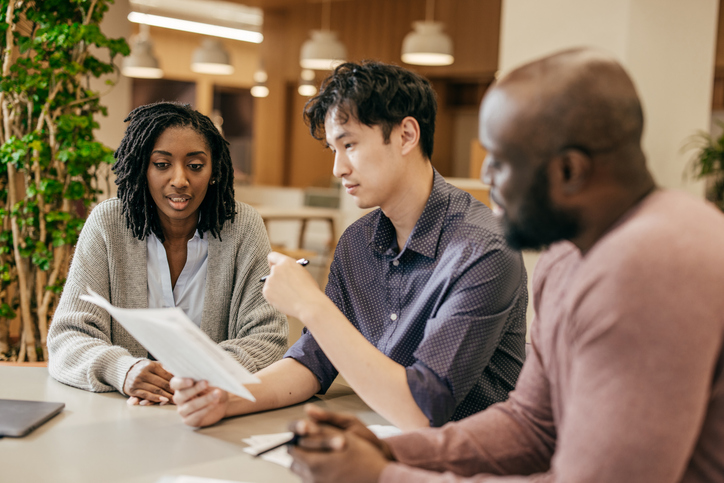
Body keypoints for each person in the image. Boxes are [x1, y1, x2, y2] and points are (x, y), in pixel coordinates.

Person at [283, 48, 724, 482]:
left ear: (568, 170)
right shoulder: (564, 257)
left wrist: (382, 475)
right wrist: (391, 449)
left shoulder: (651, 263)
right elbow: (530, 426)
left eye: (501, 160)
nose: (487, 177)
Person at [172, 61, 528, 430]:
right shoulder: (359, 241)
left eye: (350, 144)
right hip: (378, 442)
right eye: (333, 149)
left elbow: (424, 409)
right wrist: (225, 396)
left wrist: (311, 305)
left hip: (469, 461)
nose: (337, 168)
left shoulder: (484, 250)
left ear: (407, 135)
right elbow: (314, 360)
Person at [48, 102, 288, 405]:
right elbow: (67, 337)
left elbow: (269, 338)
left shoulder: (243, 227)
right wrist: (124, 370)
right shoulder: (108, 225)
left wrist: (198, 377)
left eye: (196, 166)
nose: (179, 180)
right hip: (118, 415)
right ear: (143, 169)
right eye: (162, 165)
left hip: (211, 412)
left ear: (214, 170)